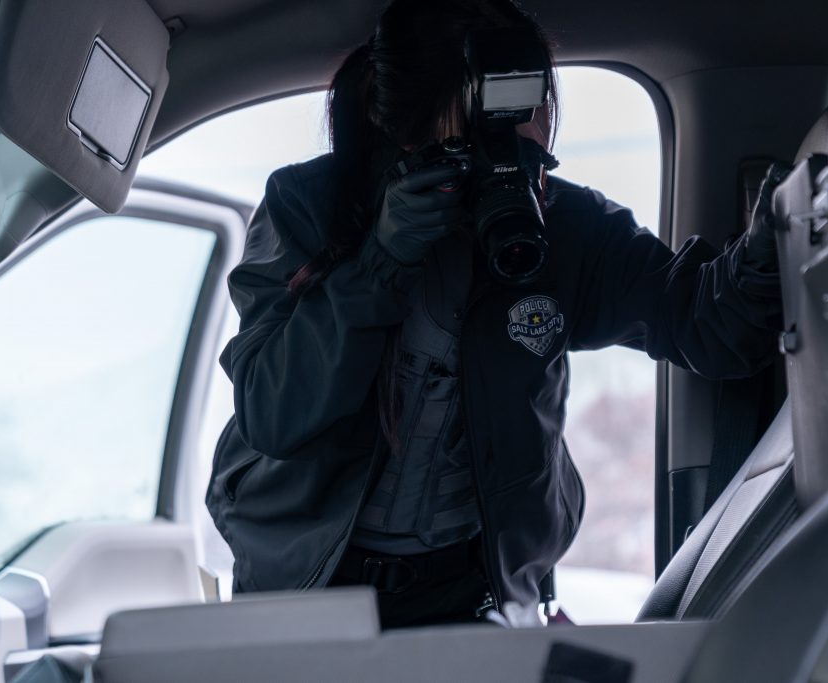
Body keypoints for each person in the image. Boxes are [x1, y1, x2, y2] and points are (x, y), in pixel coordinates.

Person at [206, 0, 786, 629]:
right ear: (402, 132)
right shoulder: (309, 206)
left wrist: (777, 235)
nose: (504, 160)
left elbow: (708, 325)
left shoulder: (563, 228)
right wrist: (379, 263)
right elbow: (274, 413)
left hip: (478, 593)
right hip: (307, 589)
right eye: (471, 141)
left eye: (526, 132)